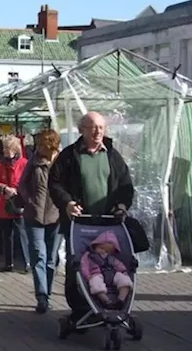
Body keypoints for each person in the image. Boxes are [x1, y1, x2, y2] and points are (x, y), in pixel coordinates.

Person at [48, 111, 134, 324]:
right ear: (82, 130)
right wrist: (67, 203)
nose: (98, 132)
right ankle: (79, 310)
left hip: (108, 224)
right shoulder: (69, 155)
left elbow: (125, 185)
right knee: (77, 266)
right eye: (93, 127)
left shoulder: (112, 155)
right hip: (79, 224)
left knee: (113, 265)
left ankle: (110, 302)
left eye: (101, 128)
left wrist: (122, 205)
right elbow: (55, 183)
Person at [18, 129, 62, 314]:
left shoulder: (62, 162)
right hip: (34, 215)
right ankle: (42, 296)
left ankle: (48, 292)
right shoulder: (34, 161)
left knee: (51, 258)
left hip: (56, 215)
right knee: (38, 255)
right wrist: (29, 200)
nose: (39, 148)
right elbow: (22, 184)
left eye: (42, 144)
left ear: (50, 145)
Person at [0, 134, 30, 273]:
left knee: (22, 233)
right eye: (4, 148)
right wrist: (3, 188)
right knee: (7, 235)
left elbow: (29, 182)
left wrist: (17, 190)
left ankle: (26, 262)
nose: (4, 151)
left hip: (20, 203)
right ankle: (9, 263)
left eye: (7, 148)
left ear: (14, 148)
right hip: (5, 204)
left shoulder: (25, 164)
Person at [80, 231, 133, 309]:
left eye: (107, 251)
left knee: (125, 280)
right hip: (97, 274)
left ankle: (121, 299)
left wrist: (124, 271)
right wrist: (87, 275)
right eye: (101, 248)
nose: (103, 251)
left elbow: (119, 265)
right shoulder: (89, 256)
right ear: (95, 246)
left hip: (113, 274)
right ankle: (105, 300)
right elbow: (84, 266)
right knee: (95, 283)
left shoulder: (111, 258)